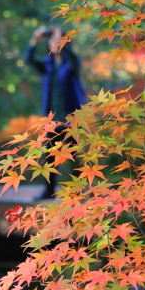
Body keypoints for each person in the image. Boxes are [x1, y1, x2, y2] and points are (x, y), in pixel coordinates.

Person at [24, 25, 87, 197]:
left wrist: (62, 39)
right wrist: (34, 40)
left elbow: (74, 59)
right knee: (49, 156)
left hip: (71, 117)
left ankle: (77, 192)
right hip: (52, 119)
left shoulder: (71, 63)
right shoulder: (48, 64)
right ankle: (49, 190)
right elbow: (29, 59)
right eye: (53, 40)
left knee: (73, 155)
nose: (55, 43)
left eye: (59, 41)